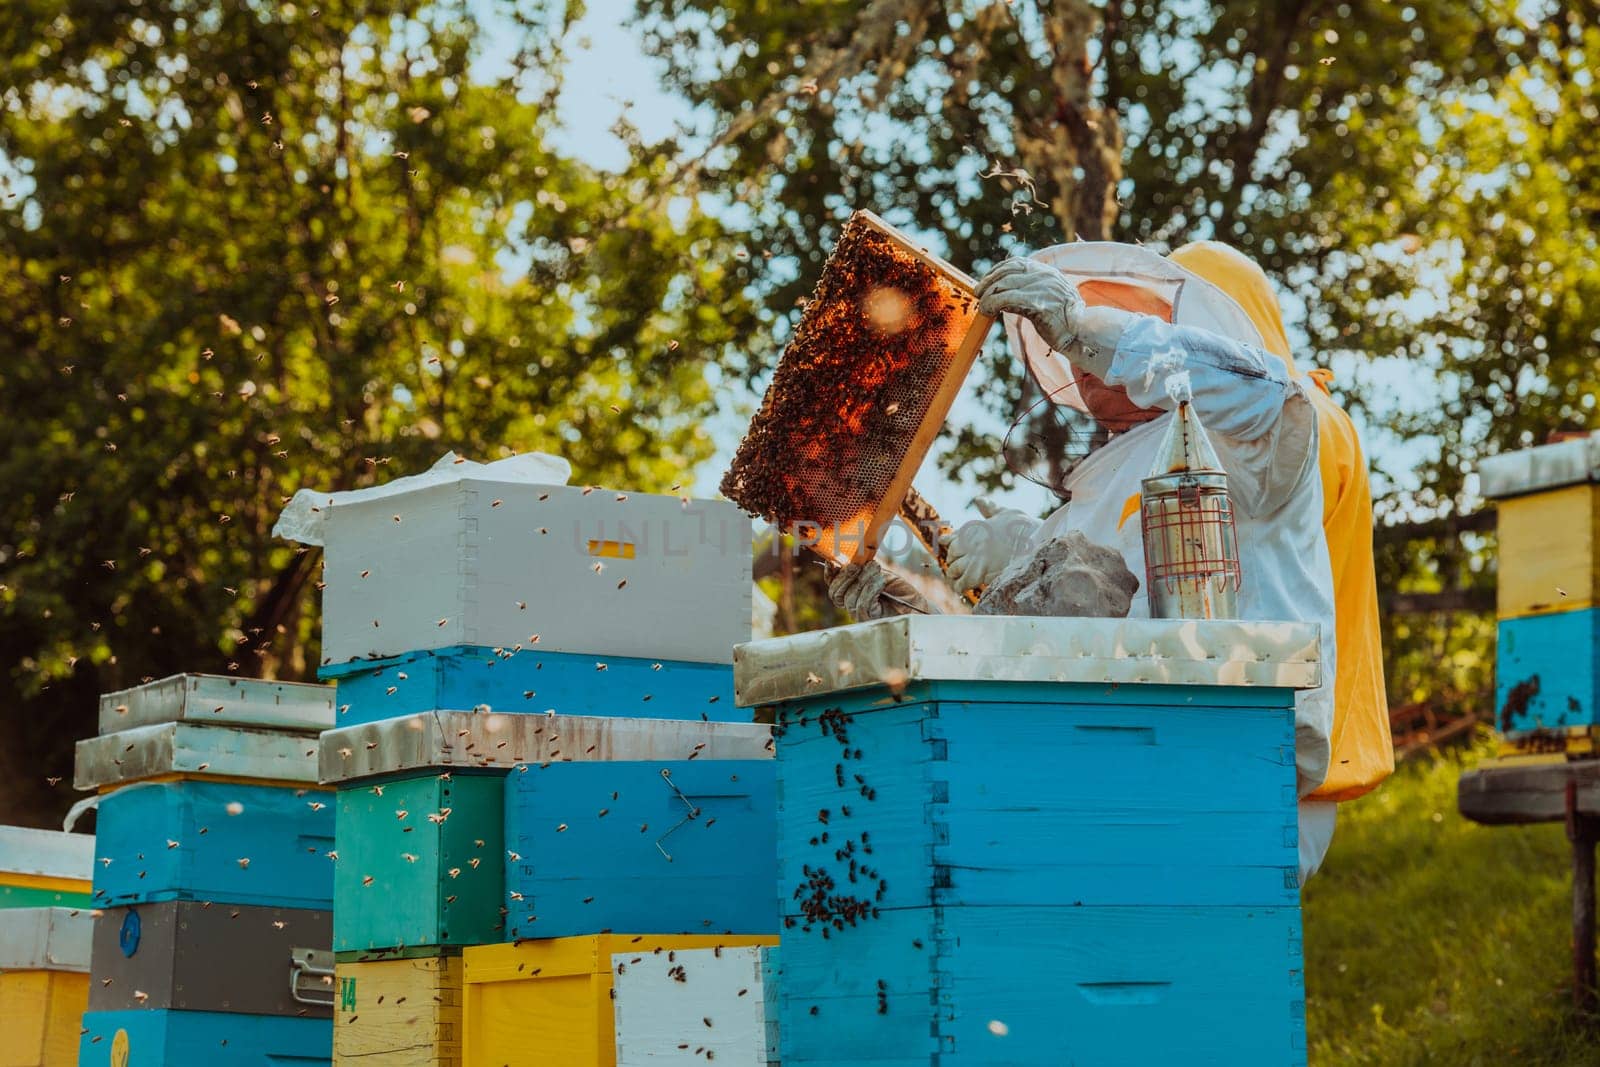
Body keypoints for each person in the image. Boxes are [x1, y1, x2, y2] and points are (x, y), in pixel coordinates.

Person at [827, 241, 1347, 881]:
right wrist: (904, 611)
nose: (1082, 357)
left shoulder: (1252, 436)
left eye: (1117, 320)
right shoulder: (1090, 493)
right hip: (1115, 759)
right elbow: (1021, 651)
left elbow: (1257, 390)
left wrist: (1087, 327)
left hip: (1234, 759)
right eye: (1073, 333)